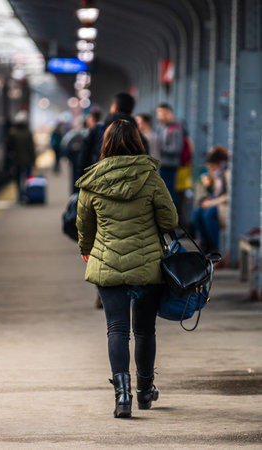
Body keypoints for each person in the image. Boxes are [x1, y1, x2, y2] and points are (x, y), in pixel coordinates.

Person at [75, 119, 178, 418]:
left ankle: (123, 396)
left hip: (107, 262)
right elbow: (170, 221)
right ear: (138, 141)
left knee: (116, 329)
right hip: (147, 266)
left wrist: (86, 250)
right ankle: (146, 390)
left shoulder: (91, 180)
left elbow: (84, 225)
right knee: (144, 330)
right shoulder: (151, 176)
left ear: (105, 144)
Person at [78, 92, 149, 178]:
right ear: (131, 112)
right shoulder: (139, 136)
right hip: (131, 184)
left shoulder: (98, 130)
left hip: (100, 180)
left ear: (114, 108)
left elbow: (84, 157)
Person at [193, 145, 229, 253]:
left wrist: (211, 203)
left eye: (212, 167)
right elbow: (214, 191)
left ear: (218, 164)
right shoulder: (216, 174)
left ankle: (214, 245)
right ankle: (205, 244)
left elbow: (228, 195)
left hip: (224, 205)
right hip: (215, 202)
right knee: (197, 213)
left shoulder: (227, 173)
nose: (211, 170)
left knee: (209, 214)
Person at [156, 103, 184, 205]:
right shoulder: (161, 127)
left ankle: (171, 217)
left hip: (170, 165)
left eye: (162, 113)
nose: (159, 116)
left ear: (169, 113)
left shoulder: (175, 128)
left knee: (169, 193)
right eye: (158, 113)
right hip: (163, 164)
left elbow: (176, 149)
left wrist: (160, 148)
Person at [7, 110, 36, 203]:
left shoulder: (12, 132)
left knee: (18, 179)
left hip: (16, 160)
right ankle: (27, 195)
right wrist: (33, 160)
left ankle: (20, 195)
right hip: (27, 160)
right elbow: (31, 148)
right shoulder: (28, 133)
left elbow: (8, 147)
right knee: (28, 179)